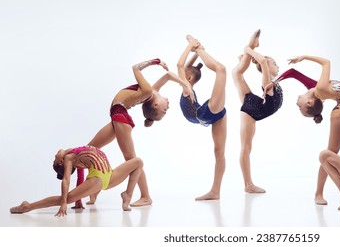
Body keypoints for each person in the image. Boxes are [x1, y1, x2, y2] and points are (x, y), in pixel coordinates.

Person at [74, 58, 192, 208]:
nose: (168, 106)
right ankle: (81, 198)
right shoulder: (152, 90)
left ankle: (145, 196)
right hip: (117, 117)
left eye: (164, 110)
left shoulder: (148, 91)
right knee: (88, 150)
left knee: (131, 159)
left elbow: (136, 68)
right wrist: (185, 84)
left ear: (155, 104)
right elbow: (168, 76)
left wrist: (155, 62)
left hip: (120, 117)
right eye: (166, 110)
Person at [284, 55, 340, 205]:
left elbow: (294, 74)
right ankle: (322, 193)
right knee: (330, 154)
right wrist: (305, 57)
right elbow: (326, 62)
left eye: (298, 107)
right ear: (310, 102)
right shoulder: (320, 89)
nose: (296, 103)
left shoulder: (316, 88)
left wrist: (274, 82)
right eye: (300, 107)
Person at [10, 146, 144, 216]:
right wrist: (63, 202)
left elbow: (80, 179)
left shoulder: (76, 153)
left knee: (138, 162)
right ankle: (28, 206)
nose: (55, 155)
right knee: (65, 199)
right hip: (97, 179)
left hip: (110, 175)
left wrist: (79, 202)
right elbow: (66, 180)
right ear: (61, 161)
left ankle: (127, 195)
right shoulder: (69, 158)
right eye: (55, 159)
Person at [177, 35, 227, 201]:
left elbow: (180, 65)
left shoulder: (186, 87)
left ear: (188, 78)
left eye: (183, 75)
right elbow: (186, 67)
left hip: (206, 114)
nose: (180, 76)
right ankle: (215, 192)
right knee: (218, 152)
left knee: (221, 69)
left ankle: (215, 191)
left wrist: (193, 45)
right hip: (210, 115)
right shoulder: (188, 87)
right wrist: (196, 51)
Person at [232, 29, 283, 193]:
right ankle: (248, 185)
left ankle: (247, 52)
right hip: (253, 110)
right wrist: (248, 49)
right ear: (267, 67)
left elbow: (262, 61)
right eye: (274, 63)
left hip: (256, 107)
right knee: (245, 148)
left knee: (237, 74)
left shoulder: (273, 81)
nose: (278, 65)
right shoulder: (267, 79)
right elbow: (262, 61)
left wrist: (248, 54)